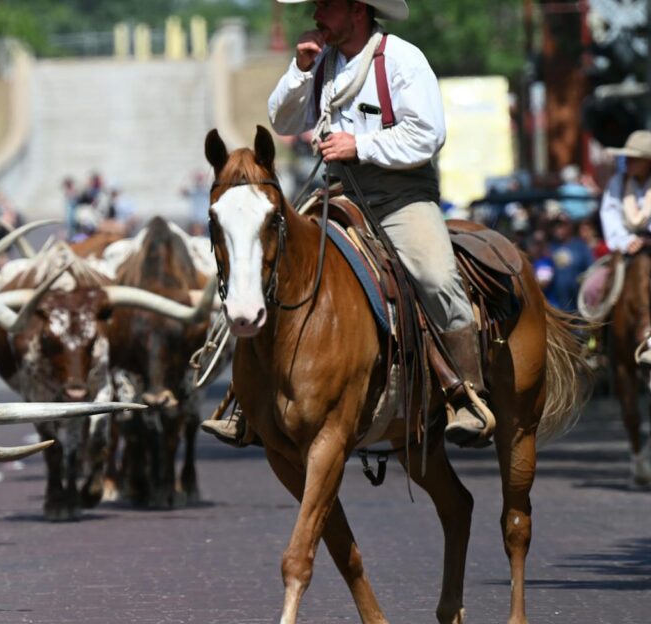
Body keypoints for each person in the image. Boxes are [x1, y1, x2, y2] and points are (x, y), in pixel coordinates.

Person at [204, 0, 493, 447]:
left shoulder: (402, 59)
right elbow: (282, 120)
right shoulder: (321, 62)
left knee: (436, 277)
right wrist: (300, 70)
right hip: (337, 193)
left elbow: (428, 134)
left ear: (358, 10)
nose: (316, 14)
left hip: (399, 197)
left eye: (326, 5)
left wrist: (360, 145)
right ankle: (246, 399)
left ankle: (466, 394)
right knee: (275, 262)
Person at [598, 130, 651, 369]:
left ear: (648, 161)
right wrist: (625, 240)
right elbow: (610, 215)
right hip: (626, 247)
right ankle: (597, 335)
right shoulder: (618, 182)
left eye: (634, 158)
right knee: (597, 284)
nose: (628, 162)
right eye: (628, 157)